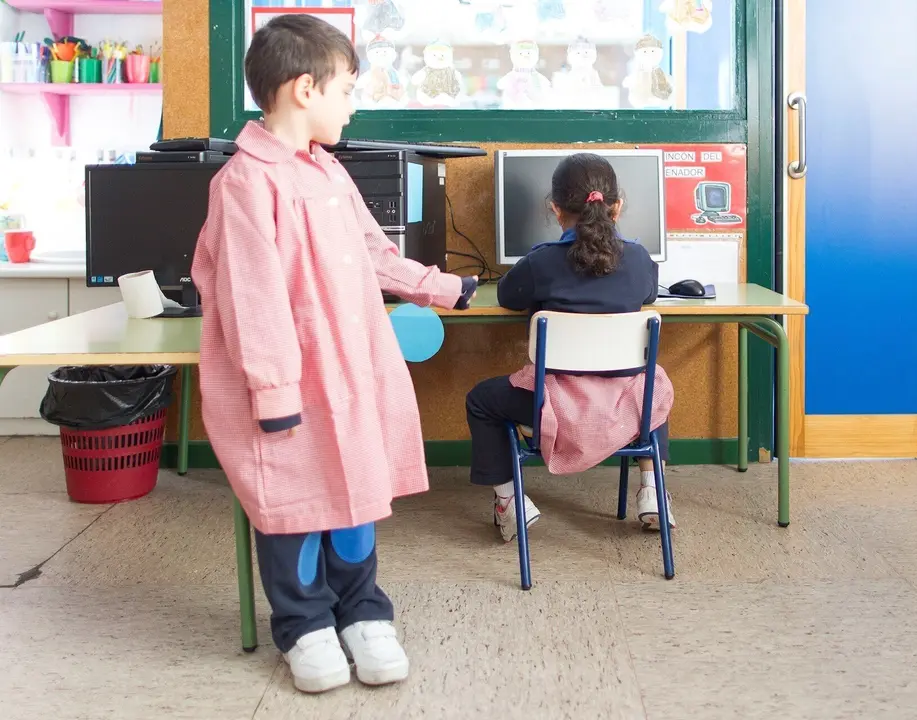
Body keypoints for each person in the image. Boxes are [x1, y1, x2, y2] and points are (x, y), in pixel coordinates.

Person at [191, 15, 477, 695]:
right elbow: (252, 302)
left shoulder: (326, 172)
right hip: (286, 383)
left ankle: (363, 610)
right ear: (303, 90)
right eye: (346, 88)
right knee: (295, 498)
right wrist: (274, 394)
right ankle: (304, 622)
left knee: (353, 491)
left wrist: (441, 288)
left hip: (350, 370)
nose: (353, 103)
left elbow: (375, 251)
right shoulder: (245, 184)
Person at [465, 153, 675, 543]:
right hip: (621, 404)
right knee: (651, 387)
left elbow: (509, 296)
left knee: (481, 400)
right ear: (617, 206)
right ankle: (653, 490)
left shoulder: (541, 262)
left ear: (555, 209)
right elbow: (648, 293)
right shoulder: (641, 260)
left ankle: (510, 502)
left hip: (556, 408)